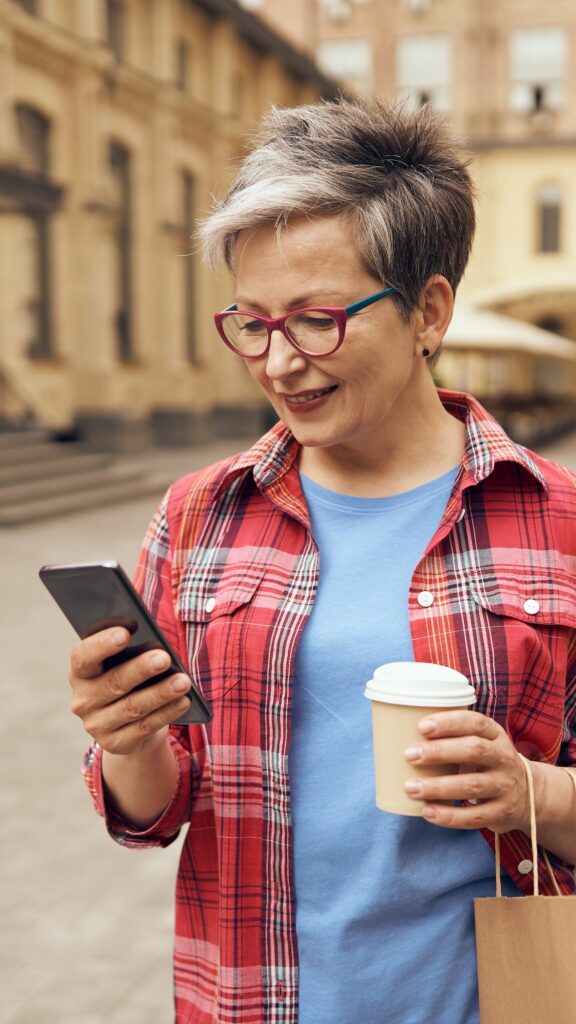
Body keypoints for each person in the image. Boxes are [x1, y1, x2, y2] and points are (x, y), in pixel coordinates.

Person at [69, 98, 576, 1024]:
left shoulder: (558, 522)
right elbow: (155, 810)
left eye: (315, 319)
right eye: (252, 324)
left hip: (492, 1003)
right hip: (245, 1000)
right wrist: (129, 740)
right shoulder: (197, 517)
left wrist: (529, 790)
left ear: (429, 310)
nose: (279, 361)